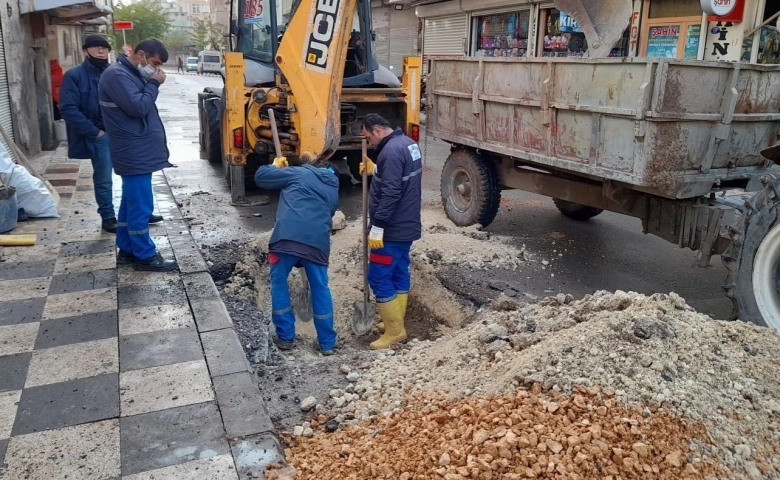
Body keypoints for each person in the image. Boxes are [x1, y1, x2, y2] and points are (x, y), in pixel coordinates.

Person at [98, 38, 177, 271]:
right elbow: (139, 107)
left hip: (136, 148)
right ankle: (145, 255)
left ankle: (127, 248)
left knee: (129, 203)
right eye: (154, 63)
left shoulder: (128, 74)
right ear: (141, 55)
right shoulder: (117, 75)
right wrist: (154, 84)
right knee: (141, 205)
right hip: (133, 150)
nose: (157, 70)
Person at [254, 157, 340, 355]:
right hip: (317, 245)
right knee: (320, 289)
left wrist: (275, 166)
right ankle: (327, 343)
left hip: (285, 240)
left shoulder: (300, 172)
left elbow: (261, 177)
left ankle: (285, 337)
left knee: (279, 284)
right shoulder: (333, 190)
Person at [359, 113, 422, 350]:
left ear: (376, 130)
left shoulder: (391, 152)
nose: (370, 142)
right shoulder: (407, 143)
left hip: (392, 229)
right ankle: (395, 320)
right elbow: (400, 179)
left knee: (378, 275)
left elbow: (392, 192)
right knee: (397, 272)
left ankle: (395, 331)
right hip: (407, 225)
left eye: (368, 137)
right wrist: (376, 171)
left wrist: (378, 226)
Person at [59, 34, 117, 232]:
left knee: (133, 173)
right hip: (99, 135)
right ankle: (108, 216)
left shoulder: (114, 72)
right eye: (95, 47)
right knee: (104, 178)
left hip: (120, 133)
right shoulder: (75, 76)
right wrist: (95, 133)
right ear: (86, 51)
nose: (101, 51)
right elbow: (68, 109)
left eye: (104, 48)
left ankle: (135, 211)